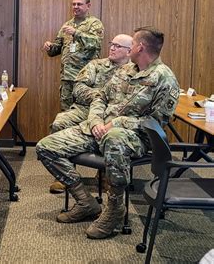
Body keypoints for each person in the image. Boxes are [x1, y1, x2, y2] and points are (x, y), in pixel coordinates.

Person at [36, 26, 179, 239]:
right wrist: (94, 121)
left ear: (139, 47)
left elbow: (156, 122)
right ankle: (85, 202)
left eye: (132, 42)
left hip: (135, 137)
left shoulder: (164, 78)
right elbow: (100, 98)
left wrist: (117, 123)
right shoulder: (125, 70)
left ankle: (114, 209)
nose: (122, 47)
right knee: (46, 147)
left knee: (114, 139)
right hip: (99, 129)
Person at [48, 34, 133, 194]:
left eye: (117, 46)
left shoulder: (134, 72)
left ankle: (105, 176)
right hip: (85, 109)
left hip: (114, 113)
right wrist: (101, 96)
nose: (112, 48)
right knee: (60, 123)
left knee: (113, 131)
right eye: (111, 44)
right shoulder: (96, 65)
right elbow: (78, 88)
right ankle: (64, 176)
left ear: (129, 52)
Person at [43, 0, 104, 111]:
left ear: (88, 6)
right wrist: (50, 47)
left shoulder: (94, 23)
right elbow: (57, 48)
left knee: (84, 113)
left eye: (79, 4)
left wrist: (76, 33)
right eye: (74, 4)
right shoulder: (67, 25)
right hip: (67, 79)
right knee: (66, 112)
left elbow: (95, 43)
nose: (75, 7)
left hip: (85, 79)